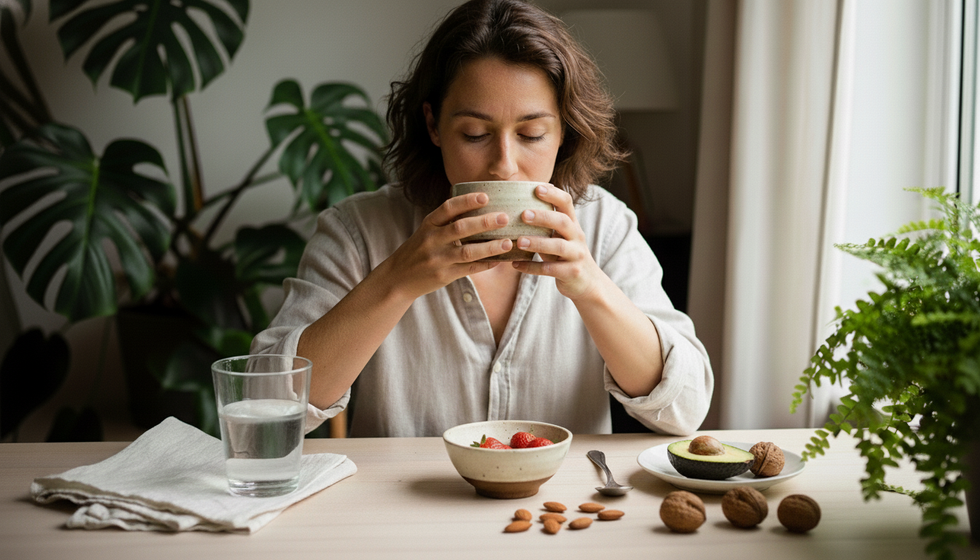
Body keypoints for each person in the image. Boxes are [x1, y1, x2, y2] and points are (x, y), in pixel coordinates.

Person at [250, 0, 713, 437]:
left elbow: (685, 410)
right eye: (474, 133)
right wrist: (397, 280)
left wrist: (591, 286)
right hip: (402, 514)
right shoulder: (360, 231)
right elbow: (265, 408)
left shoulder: (604, 227)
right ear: (434, 125)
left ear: (563, 133)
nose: (504, 165)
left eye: (531, 134)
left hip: (559, 513)